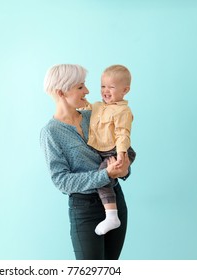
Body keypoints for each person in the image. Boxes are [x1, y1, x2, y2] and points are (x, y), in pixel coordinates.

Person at [40, 64, 132, 260]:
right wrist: (105, 174)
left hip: (115, 200)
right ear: (61, 92)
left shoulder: (94, 115)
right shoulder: (51, 132)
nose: (88, 91)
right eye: (80, 87)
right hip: (85, 209)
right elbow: (62, 182)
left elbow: (123, 149)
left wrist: (124, 167)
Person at [85, 65, 136, 235]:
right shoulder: (97, 106)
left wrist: (121, 154)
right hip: (103, 151)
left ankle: (112, 216)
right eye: (102, 86)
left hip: (115, 151)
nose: (106, 91)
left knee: (103, 176)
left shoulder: (123, 111)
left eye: (111, 87)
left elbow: (123, 133)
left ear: (125, 90)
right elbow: (84, 112)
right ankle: (110, 211)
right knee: (108, 177)